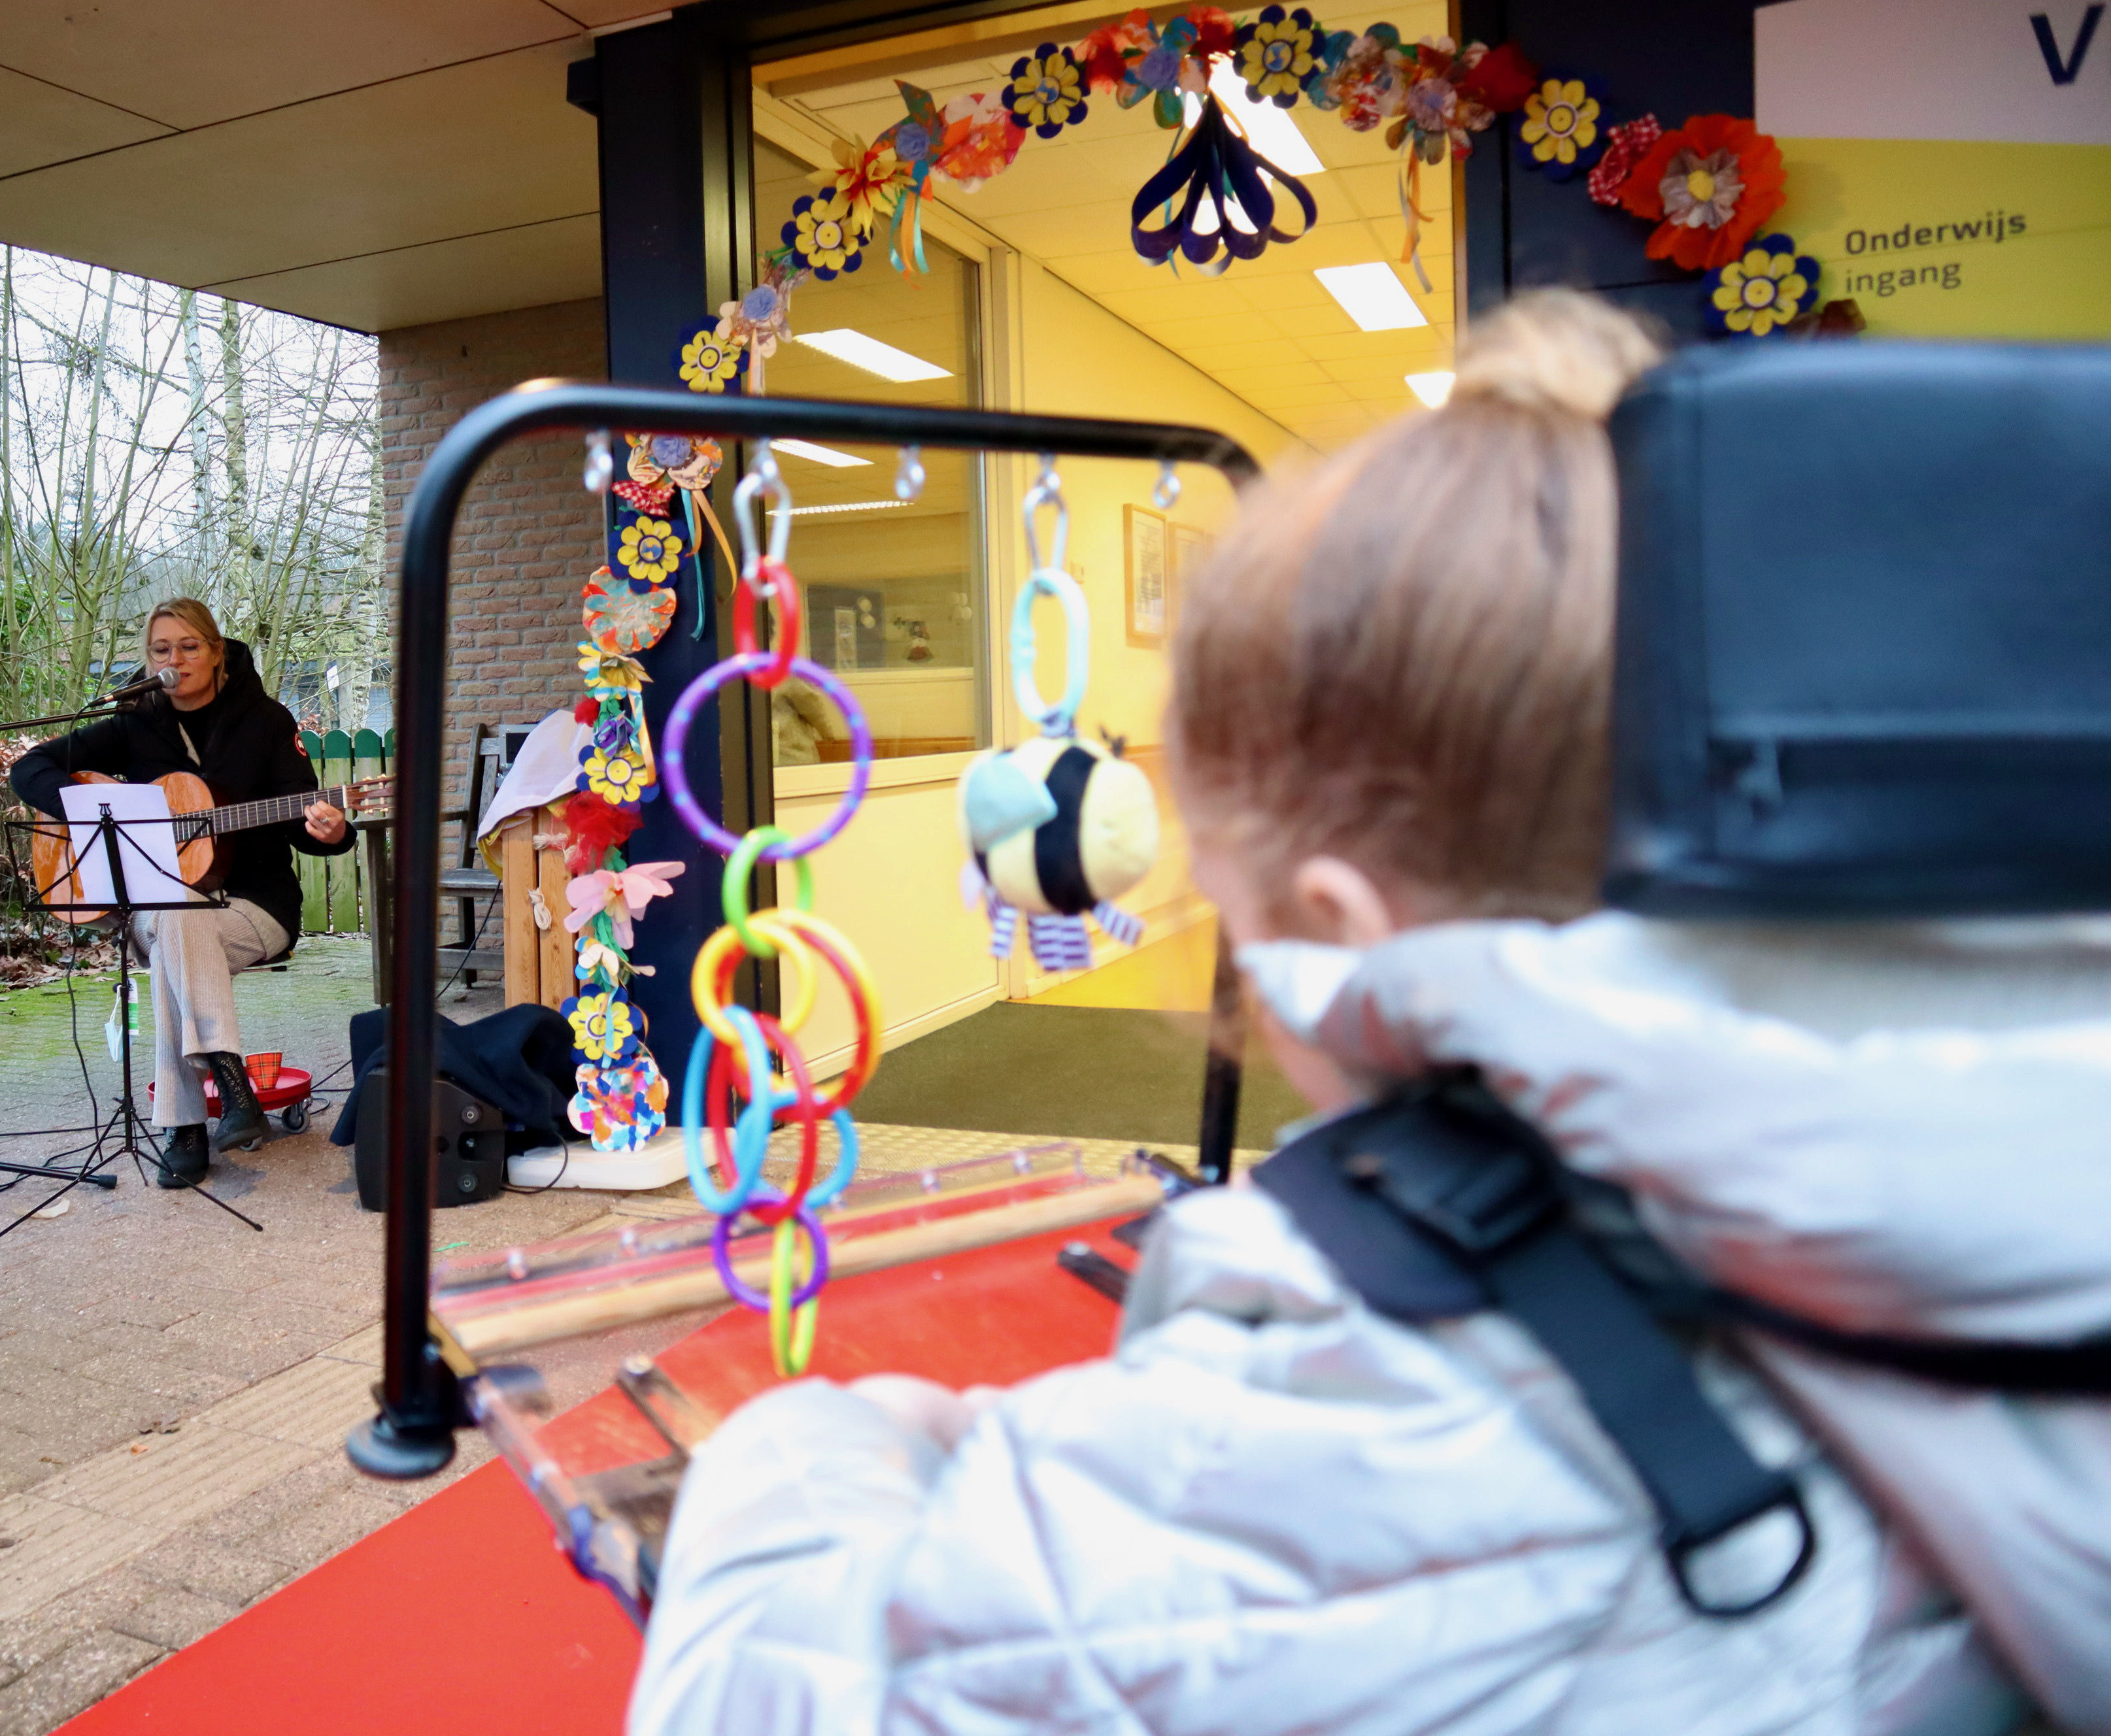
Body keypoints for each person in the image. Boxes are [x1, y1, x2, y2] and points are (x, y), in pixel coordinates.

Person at [627, 293, 2099, 1733]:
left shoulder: (1321, 1440)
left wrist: (821, 1442)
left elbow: (773, 1682)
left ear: (1343, 934)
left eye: (1240, 924)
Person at [12, 599, 355, 1189]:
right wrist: (84, 811)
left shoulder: (266, 722)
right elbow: (31, 767)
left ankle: (184, 1127)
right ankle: (229, 1079)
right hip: (155, 907)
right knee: (174, 909)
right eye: (161, 650)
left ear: (217, 652)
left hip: (254, 907)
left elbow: (306, 826)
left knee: (177, 923)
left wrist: (335, 832)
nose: (176, 659)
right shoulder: (134, 725)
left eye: (189, 646)